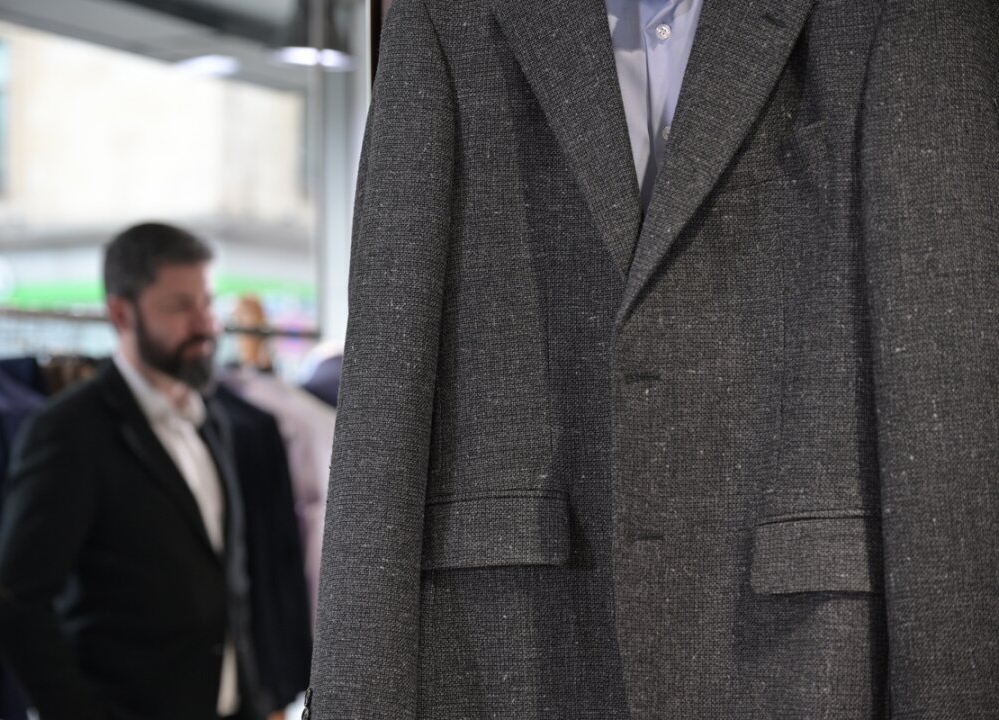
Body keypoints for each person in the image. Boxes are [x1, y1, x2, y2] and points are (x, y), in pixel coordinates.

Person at [306, 0, 999, 719]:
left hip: (818, 648)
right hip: (506, 639)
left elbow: (942, 367)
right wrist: (358, 693)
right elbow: (387, 374)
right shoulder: (447, 16)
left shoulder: (907, 16)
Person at [0, 222, 266, 720]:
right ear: (121, 313)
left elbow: (227, 582)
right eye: (180, 306)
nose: (205, 323)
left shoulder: (211, 418)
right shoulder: (68, 432)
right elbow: (15, 607)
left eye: (207, 302)